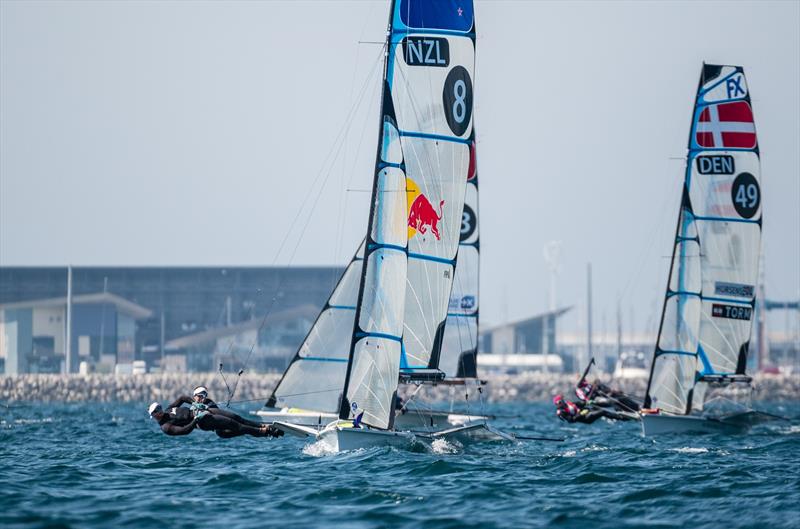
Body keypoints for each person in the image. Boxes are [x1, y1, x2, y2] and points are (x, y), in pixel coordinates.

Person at [148, 401, 282, 438]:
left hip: (204, 411)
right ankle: (267, 432)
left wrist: (194, 403)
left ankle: (265, 425)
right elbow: (184, 431)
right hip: (203, 422)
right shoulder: (165, 427)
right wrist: (195, 419)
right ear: (153, 416)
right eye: (156, 412)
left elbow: (182, 398)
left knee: (238, 418)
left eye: (158, 408)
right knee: (235, 425)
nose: (159, 411)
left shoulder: (168, 409)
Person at [553, 394, 627, 424]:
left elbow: (578, 404)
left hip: (586, 412)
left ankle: (619, 410)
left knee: (597, 405)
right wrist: (581, 413)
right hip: (586, 418)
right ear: (559, 402)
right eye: (562, 400)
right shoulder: (561, 412)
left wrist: (587, 402)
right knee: (602, 412)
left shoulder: (567, 403)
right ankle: (621, 417)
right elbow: (571, 420)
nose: (564, 400)